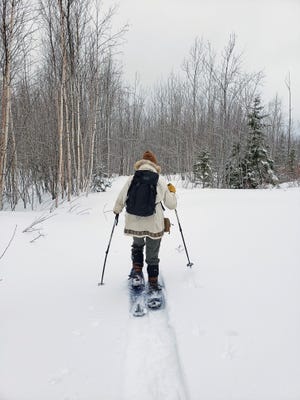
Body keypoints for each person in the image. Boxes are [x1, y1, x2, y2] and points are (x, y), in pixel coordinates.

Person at [113, 150, 177, 292]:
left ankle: (137, 273)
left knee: (137, 245)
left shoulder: (132, 178)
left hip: (134, 221)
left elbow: (121, 198)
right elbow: (171, 205)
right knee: (152, 253)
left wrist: (117, 210)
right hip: (154, 223)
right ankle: (153, 282)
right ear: (155, 164)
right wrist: (172, 192)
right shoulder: (160, 180)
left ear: (141, 163)